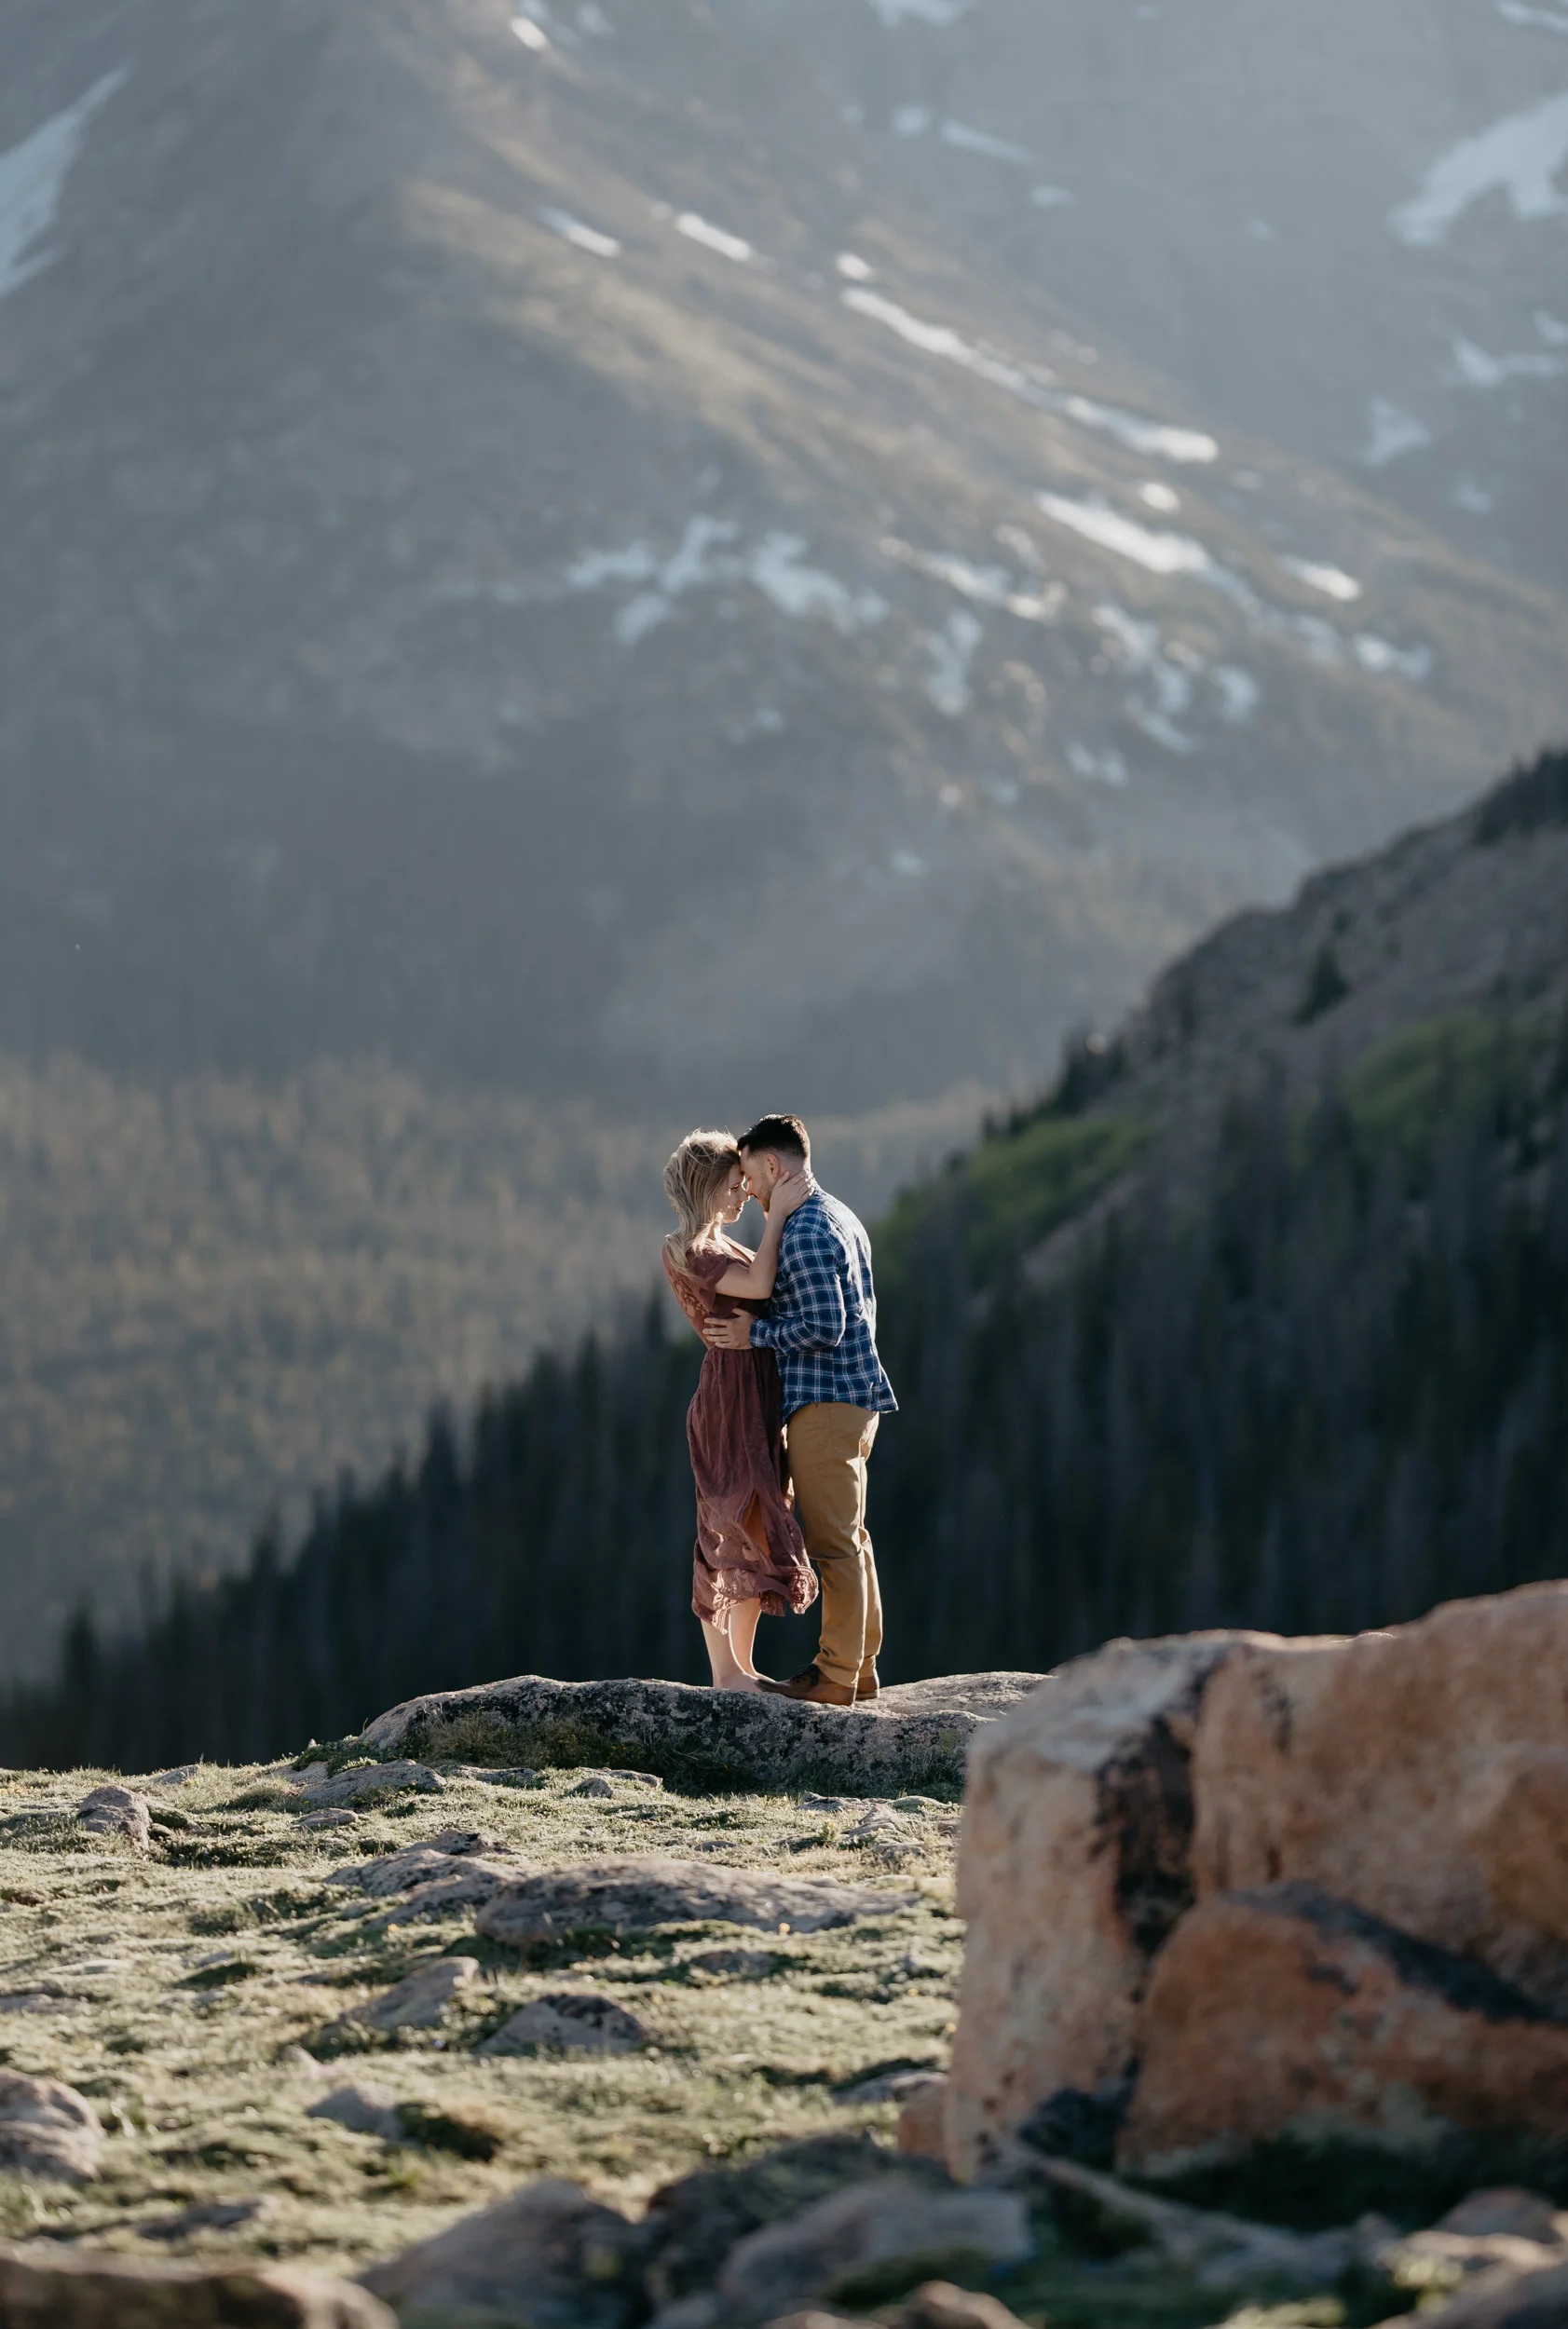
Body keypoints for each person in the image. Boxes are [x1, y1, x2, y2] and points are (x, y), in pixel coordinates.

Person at [701, 1113, 897, 1706]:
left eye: (750, 1176)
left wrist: (751, 1338)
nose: (750, 1190)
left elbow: (824, 1325)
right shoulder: (839, 1214)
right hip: (854, 1404)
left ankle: (835, 1674)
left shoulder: (806, 1230)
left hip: (825, 1403)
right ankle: (859, 1667)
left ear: (773, 1165)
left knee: (834, 1544)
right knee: (852, 1538)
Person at [661, 1129, 819, 1692]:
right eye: (733, 1187)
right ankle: (725, 1672)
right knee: (725, 1529)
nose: (743, 1196)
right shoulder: (694, 1250)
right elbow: (759, 1282)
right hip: (730, 1400)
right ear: (705, 1189)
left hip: (755, 1391)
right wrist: (778, 1215)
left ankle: (743, 1668)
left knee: (754, 1524)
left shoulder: (717, 1244)